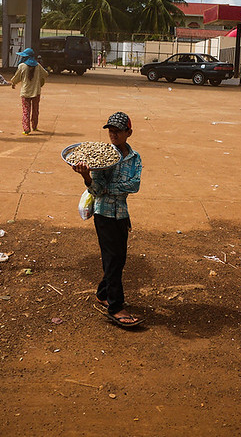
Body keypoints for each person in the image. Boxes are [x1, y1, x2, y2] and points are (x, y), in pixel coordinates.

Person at [71, 112, 143, 327]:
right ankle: (116, 307)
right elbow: (98, 190)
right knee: (112, 259)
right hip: (103, 214)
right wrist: (86, 176)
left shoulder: (134, 157)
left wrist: (109, 189)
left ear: (128, 133)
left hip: (121, 213)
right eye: (110, 130)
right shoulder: (102, 157)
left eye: (118, 131)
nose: (113, 134)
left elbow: (134, 186)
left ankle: (103, 293)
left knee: (119, 258)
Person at [9, 48, 49, 135]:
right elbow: (46, 74)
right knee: (35, 110)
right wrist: (40, 80)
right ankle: (35, 126)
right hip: (36, 92)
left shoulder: (22, 66)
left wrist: (13, 83)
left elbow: (17, 77)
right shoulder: (38, 66)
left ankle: (26, 129)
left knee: (26, 111)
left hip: (25, 92)